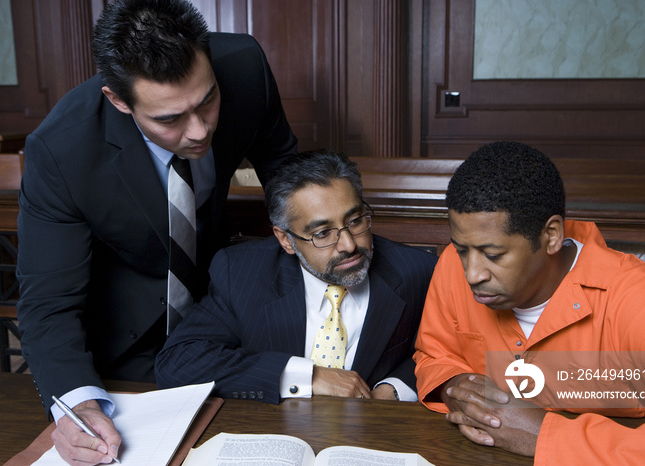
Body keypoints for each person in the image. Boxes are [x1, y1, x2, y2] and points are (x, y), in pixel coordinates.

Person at [16, 0, 297, 463]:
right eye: (168, 119)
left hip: (226, 317)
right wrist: (78, 404)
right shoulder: (62, 151)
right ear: (118, 100)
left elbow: (286, 172)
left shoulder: (244, 68)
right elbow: (48, 302)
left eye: (206, 100)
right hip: (127, 344)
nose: (199, 131)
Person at [413, 141, 645, 463]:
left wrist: (544, 436)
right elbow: (435, 354)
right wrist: (455, 388)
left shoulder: (644, 303)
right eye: (461, 250)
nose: (471, 274)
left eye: (493, 255)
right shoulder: (455, 267)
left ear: (550, 236)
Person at [155, 150, 437, 404]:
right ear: (286, 239)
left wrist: (394, 388)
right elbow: (178, 363)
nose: (349, 244)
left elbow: (448, 354)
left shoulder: (417, 271)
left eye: (355, 220)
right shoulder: (242, 272)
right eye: (322, 233)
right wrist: (306, 376)